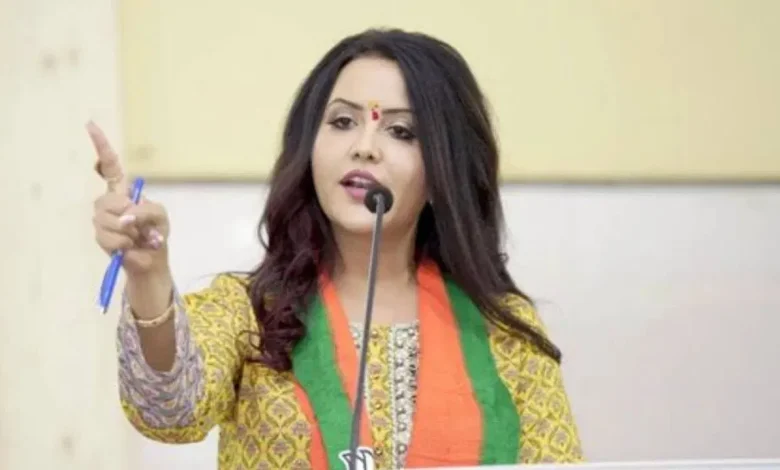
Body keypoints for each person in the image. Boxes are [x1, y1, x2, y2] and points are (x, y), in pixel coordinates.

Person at [89, 28, 583, 470]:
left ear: (442, 172)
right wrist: (148, 274)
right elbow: (170, 412)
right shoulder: (251, 314)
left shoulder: (503, 334)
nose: (364, 146)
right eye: (343, 121)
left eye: (401, 131)